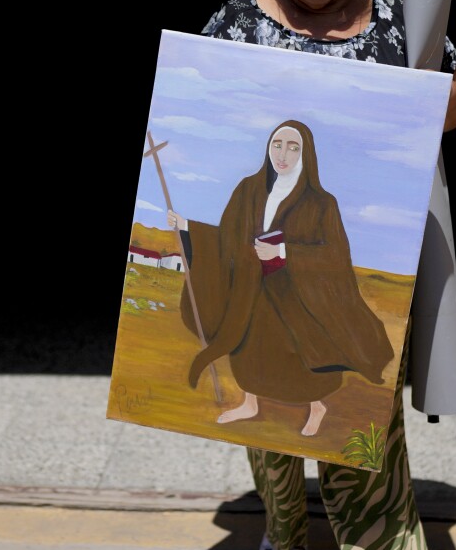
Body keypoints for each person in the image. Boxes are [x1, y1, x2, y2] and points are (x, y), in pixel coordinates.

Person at [194, 0, 456, 550]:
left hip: (350, 261)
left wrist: (428, 96)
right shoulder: (236, 23)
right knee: (272, 413)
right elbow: (208, 135)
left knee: (358, 413)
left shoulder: (399, 16)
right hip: (260, 271)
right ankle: (283, 532)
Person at [169, 120, 395, 438]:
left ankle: (317, 406)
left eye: (293, 147)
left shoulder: (321, 202)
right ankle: (251, 403)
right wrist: (189, 227)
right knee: (251, 349)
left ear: (306, 154)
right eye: (277, 145)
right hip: (252, 289)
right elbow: (229, 237)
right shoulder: (249, 188)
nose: (283, 154)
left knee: (299, 356)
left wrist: (285, 251)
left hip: (296, 295)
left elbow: (335, 255)